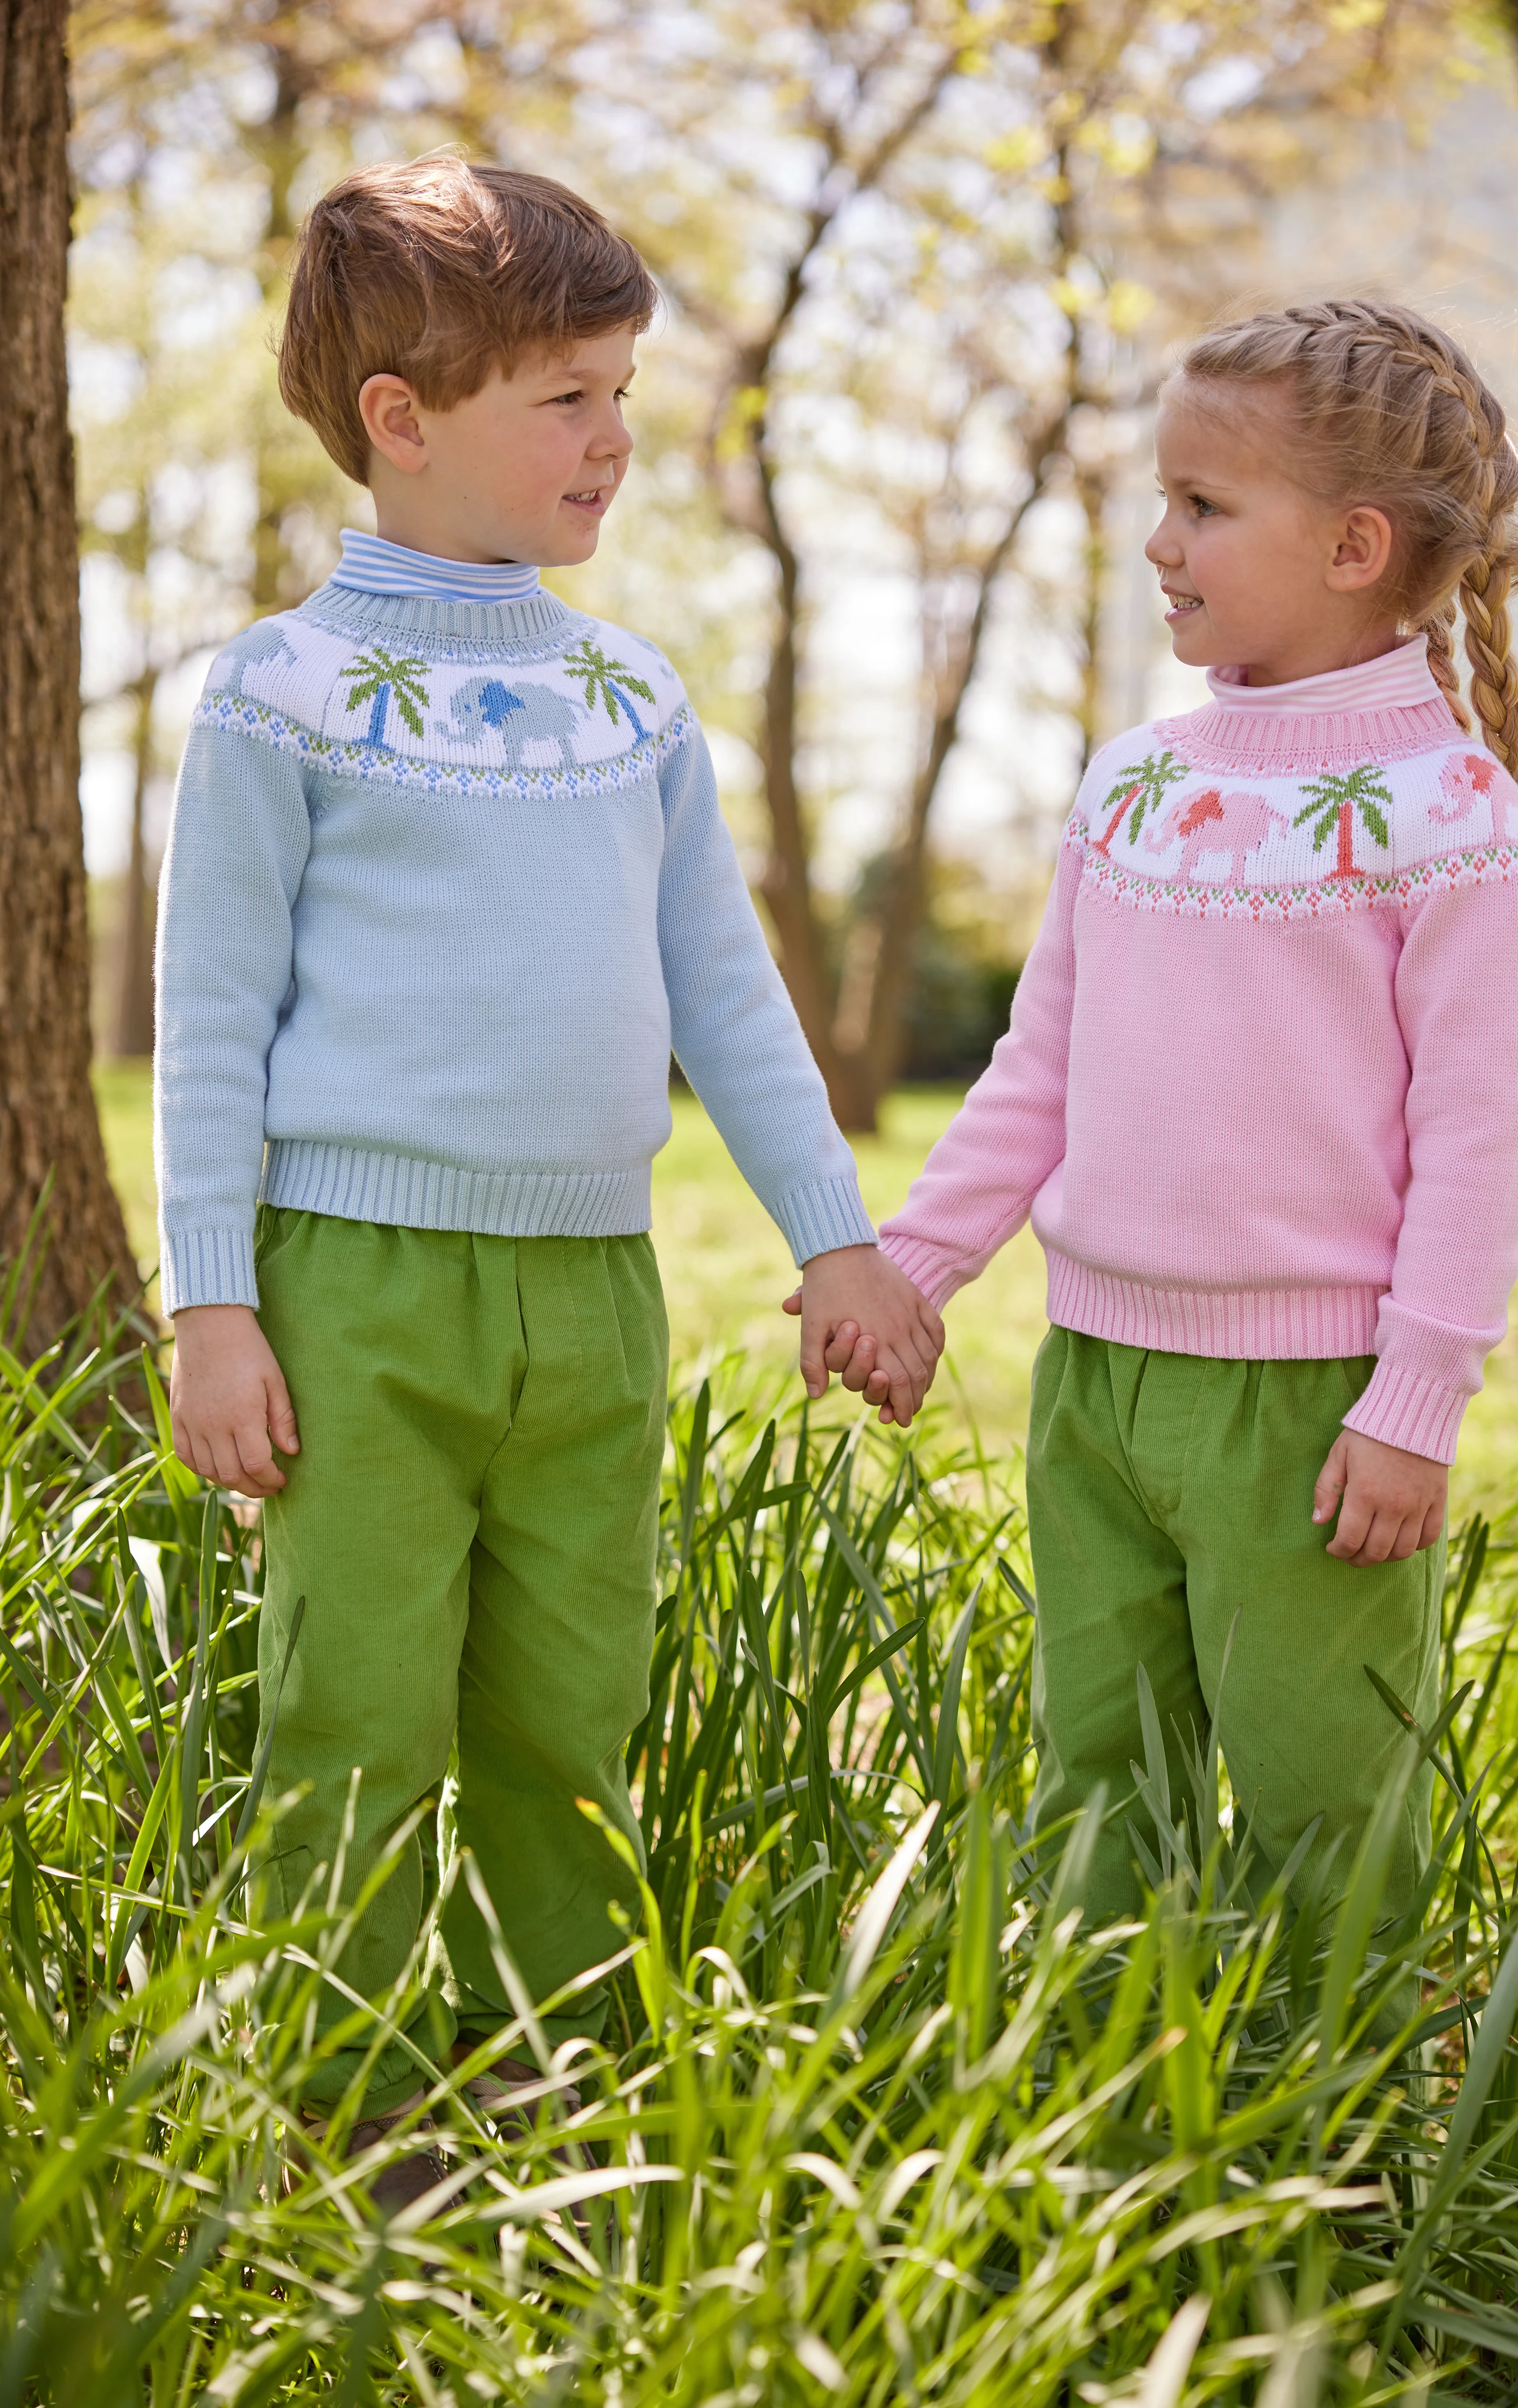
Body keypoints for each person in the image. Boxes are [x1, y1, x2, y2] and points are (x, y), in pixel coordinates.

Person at [155, 156, 942, 2196]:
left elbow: (733, 999)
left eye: (620, 389)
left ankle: (551, 2103)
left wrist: (838, 1242)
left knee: (563, 1717)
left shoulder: (633, 700)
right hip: (356, 1293)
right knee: (353, 1712)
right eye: (566, 398)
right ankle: (322, 2127)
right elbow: (212, 1020)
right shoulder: (279, 693)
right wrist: (211, 1302)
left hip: (591, 1300)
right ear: (403, 421)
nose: (616, 438)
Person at [878, 300, 1518, 1928]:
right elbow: (1039, 1061)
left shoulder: (1441, 808)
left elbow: (1476, 1134)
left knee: (1325, 1774)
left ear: (1351, 545)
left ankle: (1331, 2122)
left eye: (1202, 506)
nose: (1159, 542)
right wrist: (915, 1265)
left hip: (1311, 1410)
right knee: (1098, 1752)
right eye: (1160, 502)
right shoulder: (1132, 781)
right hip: (1094, 1380)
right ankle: (1111, 2067)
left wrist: (1413, 1402)